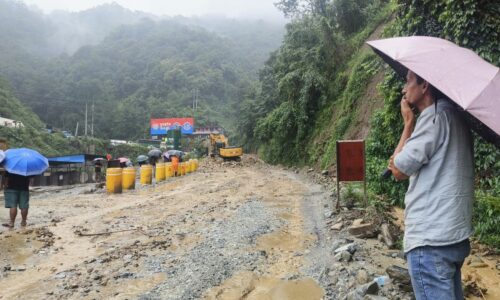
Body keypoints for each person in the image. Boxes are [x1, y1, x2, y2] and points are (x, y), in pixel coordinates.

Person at [388, 70, 474, 300]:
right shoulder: (457, 117)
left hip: (430, 241)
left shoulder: (433, 118)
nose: (404, 89)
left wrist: (408, 123)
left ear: (424, 84)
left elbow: (397, 170)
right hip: (454, 237)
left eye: (408, 81)